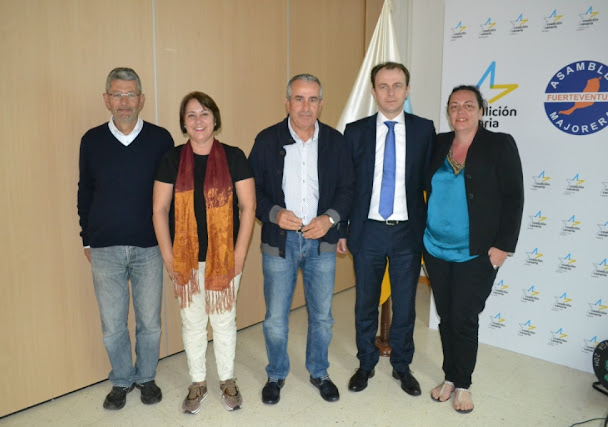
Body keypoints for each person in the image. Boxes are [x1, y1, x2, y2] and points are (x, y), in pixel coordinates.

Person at [248, 74, 354, 404]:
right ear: (287, 102)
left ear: (321, 104)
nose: (305, 107)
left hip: (322, 242)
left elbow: (348, 189)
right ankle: (276, 373)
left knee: (322, 317)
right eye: (299, 99)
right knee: (275, 319)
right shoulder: (267, 140)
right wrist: (274, 213)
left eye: (312, 99)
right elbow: (252, 191)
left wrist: (330, 218)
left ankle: (319, 371)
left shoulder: (336, 142)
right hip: (279, 242)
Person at [152, 91, 255, 414]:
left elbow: (249, 207)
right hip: (186, 261)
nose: (199, 120)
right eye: (191, 115)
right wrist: (169, 258)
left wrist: (239, 254)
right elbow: (159, 210)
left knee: (224, 322)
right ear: (184, 123)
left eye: (204, 113)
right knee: (192, 323)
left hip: (223, 259)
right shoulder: (171, 160)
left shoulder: (234, 157)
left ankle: (227, 379)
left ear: (215, 119)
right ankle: (197, 382)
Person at [77, 67, 173, 410]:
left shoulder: (161, 139)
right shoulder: (92, 140)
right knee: (113, 324)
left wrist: (171, 242)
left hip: (150, 247)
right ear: (106, 99)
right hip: (105, 248)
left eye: (130, 94)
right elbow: (85, 191)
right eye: (117, 94)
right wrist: (87, 238)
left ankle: (146, 377)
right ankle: (121, 379)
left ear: (141, 99)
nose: (124, 102)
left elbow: (171, 195)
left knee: (150, 322)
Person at [423, 85, 523, 413]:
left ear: (481, 111)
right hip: (435, 248)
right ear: (448, 112)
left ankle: (463, 383)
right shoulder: (438, 143)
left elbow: (514, 197)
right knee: (446, 316)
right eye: (454, 106)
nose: (461, 111)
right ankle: (449, 377)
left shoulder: (499, 144)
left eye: (468, 105)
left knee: (464, 317)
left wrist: (503, 246)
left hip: (476, 252)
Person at [341, 62, 435, 397]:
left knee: (405, 306)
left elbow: (431, 182)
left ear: (408, 90)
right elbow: (347, 185)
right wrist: (342, 230)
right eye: (383, 86)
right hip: (368, 231)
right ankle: (365, 363)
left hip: (407, 232)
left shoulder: (424, 130)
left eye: (397, 85)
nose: (391, 92)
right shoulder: (356, 131)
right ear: (373, 91)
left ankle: (402, 365)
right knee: (365, 304)